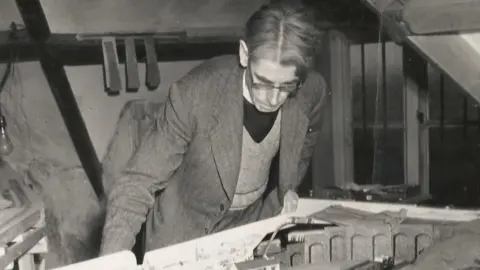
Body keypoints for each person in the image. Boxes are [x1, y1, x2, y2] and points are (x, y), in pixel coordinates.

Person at [100, 1, 327, 255]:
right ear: (244, 53)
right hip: (183, 235)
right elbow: (137, 183)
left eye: (285, 87)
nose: (273, 99)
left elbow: (307, 138)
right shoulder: (193, 95)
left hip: (251, 229)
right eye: (262, 82)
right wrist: (113, 259)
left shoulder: (311, 90)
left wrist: (288, 186)